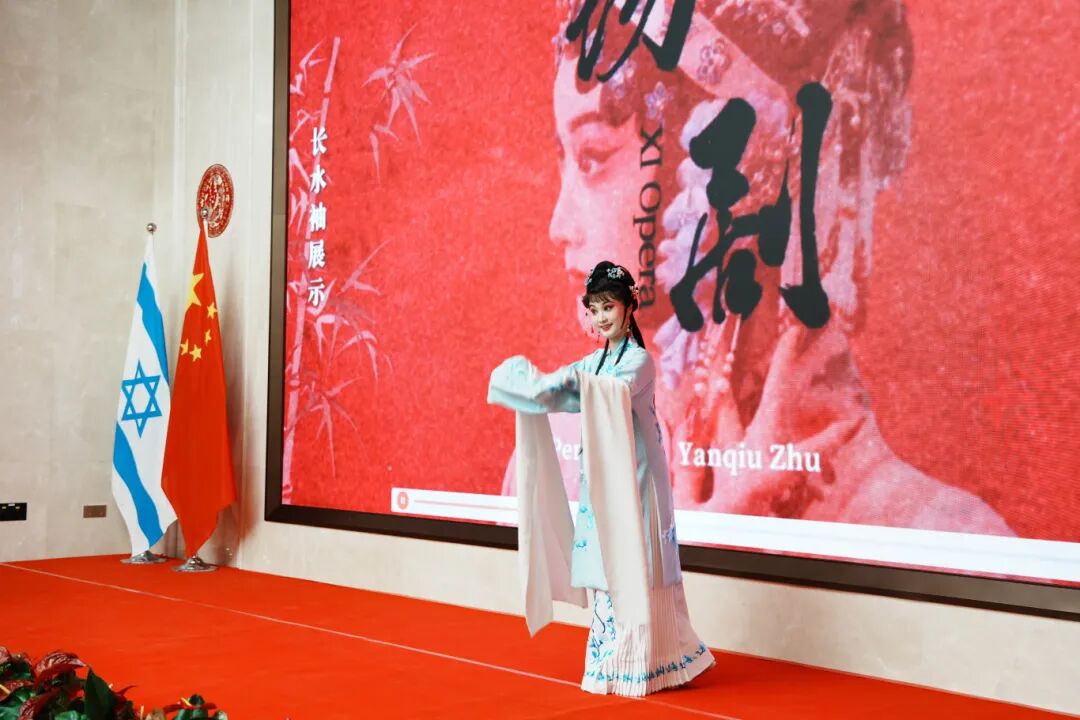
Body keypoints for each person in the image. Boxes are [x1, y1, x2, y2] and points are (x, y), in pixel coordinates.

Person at [503, 0, 1013, 535]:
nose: (559, 225)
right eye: (564, 158)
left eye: (592, 158)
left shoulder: (938, 532)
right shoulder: (556, 454)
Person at [488, 261, 714, 696]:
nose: (602, 317)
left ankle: (649, 663)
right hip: (604, 484)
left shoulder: (640, 362)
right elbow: (564, 391)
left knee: (640, 566)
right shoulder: (594, 362)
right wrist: (527, 385)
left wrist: (571, 382)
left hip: (639, 484)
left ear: (630, 307)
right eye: (594, 309)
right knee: (607, 565)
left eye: (609, 306)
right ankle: (615, 660)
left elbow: (605, 392)